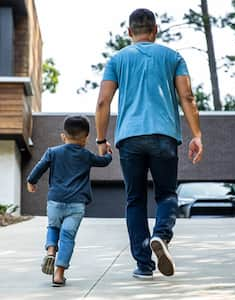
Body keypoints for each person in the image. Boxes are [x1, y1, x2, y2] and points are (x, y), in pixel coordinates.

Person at [95, 8, 203, 279]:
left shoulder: (118, 59)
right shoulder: (172, 57)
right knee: (166, 194)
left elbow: (102, 102)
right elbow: (187, 97)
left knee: (135, 200)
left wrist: (100, 140)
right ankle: (161, 236)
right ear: (156, 30)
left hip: (129, 139)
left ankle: (144, 266)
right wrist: (197, 135)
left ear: (129, 32)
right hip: (164, 137)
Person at [27, 115, 112, 287]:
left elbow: (39, 167)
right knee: (67, 237)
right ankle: (59, 274)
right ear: (86, 138)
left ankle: (51, 250)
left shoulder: (53, 152)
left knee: (53, 227)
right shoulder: (86, 155)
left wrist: (31, 181)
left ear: (63, 136)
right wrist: (107, 152)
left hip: (55, 201)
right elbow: (103, 162)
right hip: (76, 205)